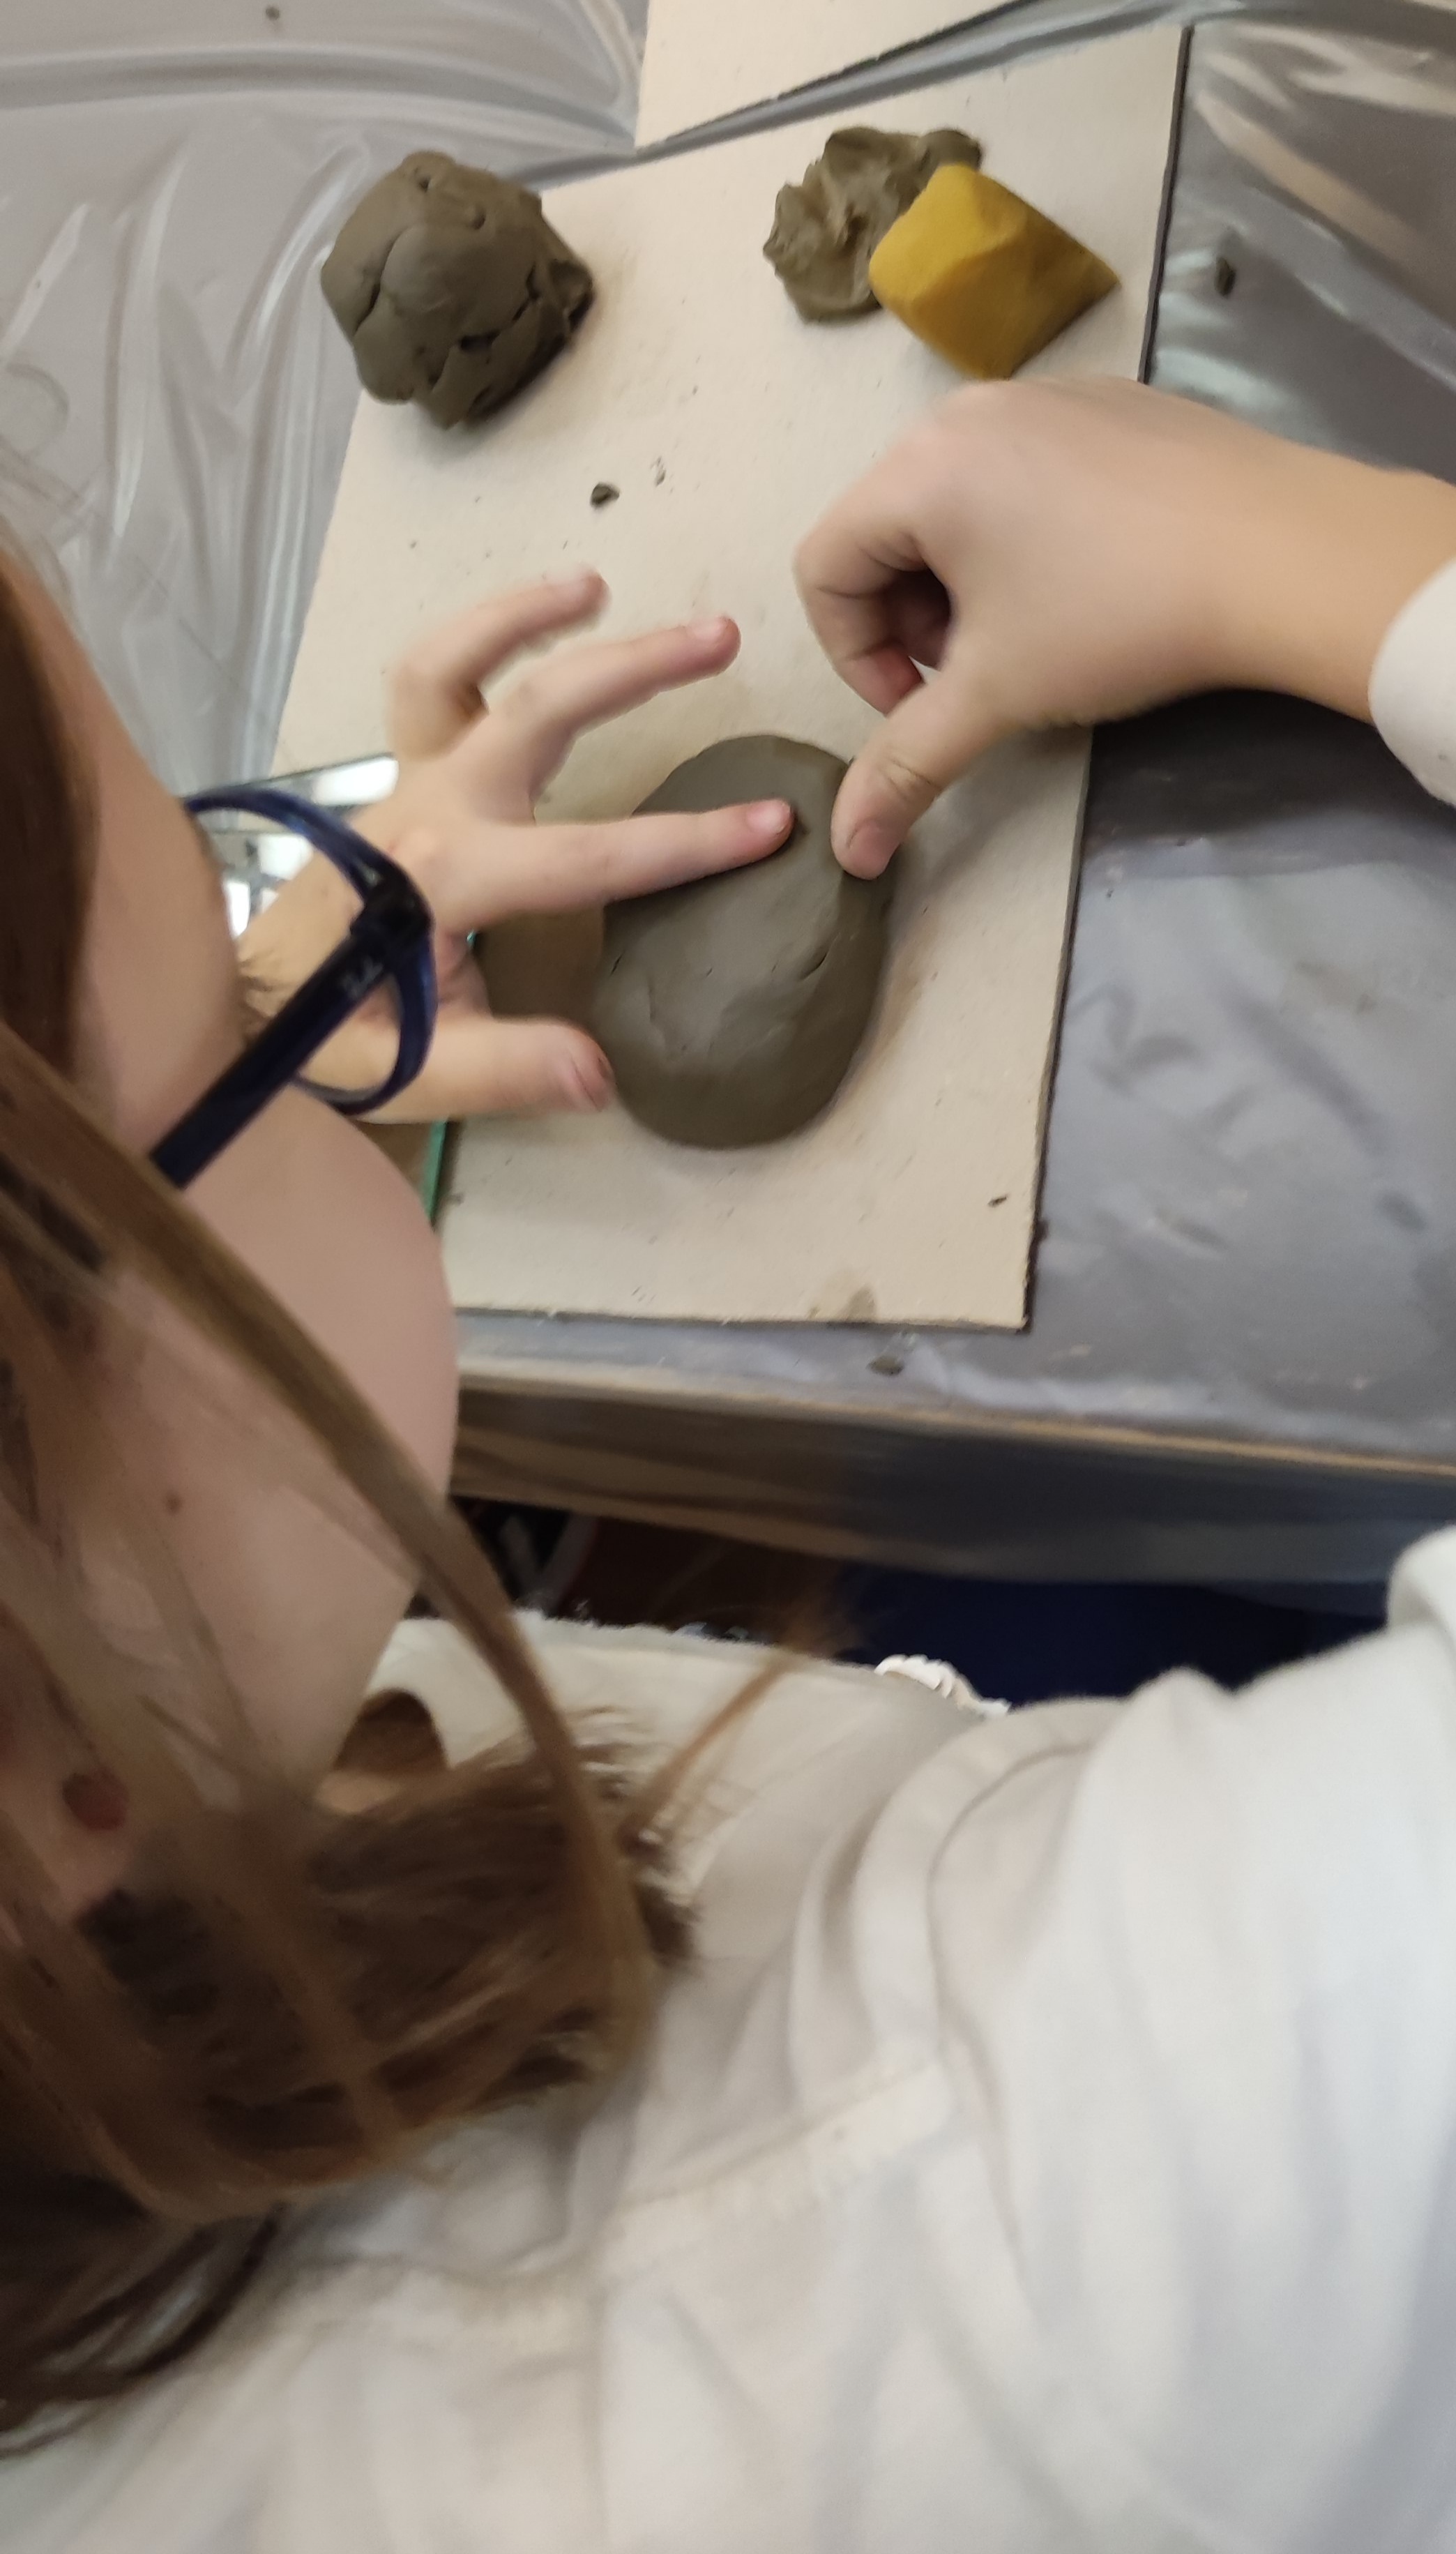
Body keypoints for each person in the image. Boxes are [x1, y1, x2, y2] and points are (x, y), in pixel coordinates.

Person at [3, 377, 1456, 2551]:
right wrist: (1325, 562)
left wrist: (270, 988)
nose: (296, 964)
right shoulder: (979, 2186)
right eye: (240, 1039)